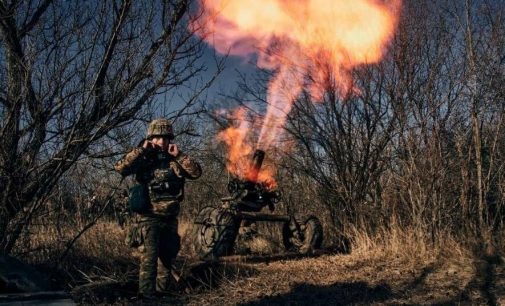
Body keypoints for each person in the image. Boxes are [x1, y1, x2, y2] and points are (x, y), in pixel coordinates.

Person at [114, 119, 202, 298]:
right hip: (149, 217)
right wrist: (141, 150)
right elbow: (120, 167)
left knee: (167, 259)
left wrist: (179, 155)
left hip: (170, 217)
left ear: (170, 139)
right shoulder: (144, 158)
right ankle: (146, 296)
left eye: (165, 138)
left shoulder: (174, 159)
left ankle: (163, 294)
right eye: (157, 137)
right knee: (149, 259)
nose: (162, 141)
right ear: (150, 138)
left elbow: (196, 173)